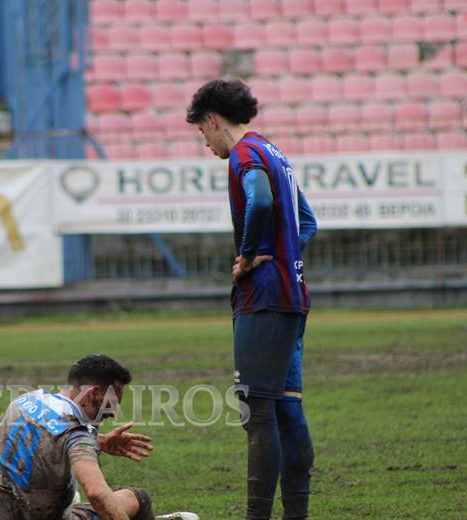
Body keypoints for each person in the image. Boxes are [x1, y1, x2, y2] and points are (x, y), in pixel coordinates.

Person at [186, 77, 316, 520]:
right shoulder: (275, 152)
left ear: (212, 120)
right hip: (292, 295)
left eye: (201, 132)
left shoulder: (245, 153)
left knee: (256, 411)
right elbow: (307, 223)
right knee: (286, 408)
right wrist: (285, 256)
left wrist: (246, 257)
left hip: (263, 299)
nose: (206, 144)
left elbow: (259, 201)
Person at [0, 354, 198, 520]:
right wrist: (87, 442)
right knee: (138, 498)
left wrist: (99, 441)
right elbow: (97, 494)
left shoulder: (26, 400)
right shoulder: (77, 436)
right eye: (111, 403)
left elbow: (48, 436)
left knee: (68, 494)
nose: (112, 412)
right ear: (93, 393)